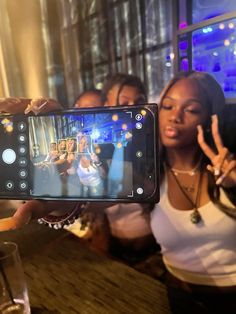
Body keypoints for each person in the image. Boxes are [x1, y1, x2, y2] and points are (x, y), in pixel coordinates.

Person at [150, 71, 236, 313]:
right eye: (168, 106)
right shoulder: (148, 174)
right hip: (179, 298)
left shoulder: (229, 167)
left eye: (191, 109)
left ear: (209, 119)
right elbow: (92, 201)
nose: (175, 116)